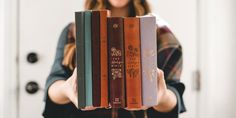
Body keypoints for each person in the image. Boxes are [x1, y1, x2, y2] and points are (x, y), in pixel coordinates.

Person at [43, 0, 186, 118]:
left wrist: (162, 97)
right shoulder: (75, 30)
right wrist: (66, 89)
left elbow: (173, 92)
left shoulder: (162, 36)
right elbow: (55, 81)